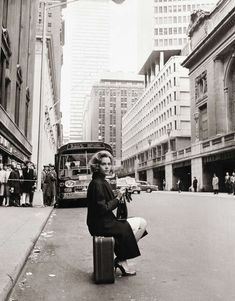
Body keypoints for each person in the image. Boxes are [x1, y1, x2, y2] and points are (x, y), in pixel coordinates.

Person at [87, 150, 147, 276]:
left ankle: (121, 258)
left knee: (133, 226)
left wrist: (118, 194)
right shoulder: (98, 183)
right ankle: (121, 259)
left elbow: (105, 202)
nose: (107, 166)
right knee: (141, 224)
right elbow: (103, 208)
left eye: (109, 164)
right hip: (102, 224)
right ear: (97, 166)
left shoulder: (100, 181)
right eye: (104, 164)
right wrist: (118, 198)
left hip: (102, 222)